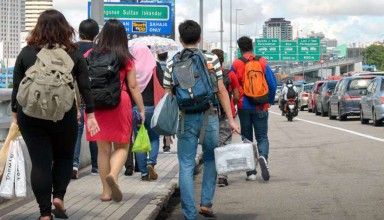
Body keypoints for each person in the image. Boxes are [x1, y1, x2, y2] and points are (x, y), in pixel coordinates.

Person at [11, 9, 100, 220]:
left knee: (40, 163)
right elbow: (85, 87)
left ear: (38, 28)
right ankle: (58, 196)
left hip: (30, 116)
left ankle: (44, 213)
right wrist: (90, 114)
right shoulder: (74, 53)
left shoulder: (26, 52)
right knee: (64, 156)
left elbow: (17, 88)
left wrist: (15, 115)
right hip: (63, 114)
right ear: (65, 29)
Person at [164, 20, 240, 220]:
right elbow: (221, 90)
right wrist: (231, 120)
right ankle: (205, 204)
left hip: (185, 118)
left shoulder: (172, 62)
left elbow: (169, 96)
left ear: (180, 39)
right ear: (199, 39)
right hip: (210, 116)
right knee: (210, 159)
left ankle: (189, 214)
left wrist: (168, 128)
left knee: (186, 164)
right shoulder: (211, 59)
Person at [85, 19, 145, 203]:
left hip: (96, 106)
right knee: (122, 146)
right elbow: (133, 86)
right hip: (119, 102)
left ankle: (105, 192)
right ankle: (113, 175)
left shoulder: (89, 54)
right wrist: (141, 109)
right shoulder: (124, 56)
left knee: (103, 150)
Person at [232, 36, 277, 182]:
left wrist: (235, 102)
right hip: (261, 105)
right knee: (262, 137)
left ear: (240, 48)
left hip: (244, 105)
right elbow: (272, 83)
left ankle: (251, 172)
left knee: (247, 138)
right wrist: (268, 101)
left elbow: (232, 86)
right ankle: (263, 156)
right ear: (252, 46)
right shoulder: (262, 61)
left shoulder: (237, 64)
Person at [130, 43, 163, 181]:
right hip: (152, 108)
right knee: (154, 137)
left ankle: (143, 172)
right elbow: (162, 83)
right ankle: (151, 162)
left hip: (135, 108)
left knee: (139, 138)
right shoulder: (155, 66)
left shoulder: (131, 66)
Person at [72, 18, 100, 179]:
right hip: (94, 98)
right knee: (94, 131)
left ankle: (74, 164)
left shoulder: (72, 49)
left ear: (79, 32)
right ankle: (96, 166)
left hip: (76, 98)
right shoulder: (99, 50)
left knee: (76, 131)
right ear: (96, 34)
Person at [211, 48, 240, 187]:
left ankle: (211, 175)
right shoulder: (230, 74)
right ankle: (222, 176)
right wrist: (230, 106)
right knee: (224, 144)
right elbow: (237, 96)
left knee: (210, 144)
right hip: (225, 114)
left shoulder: (206, 74)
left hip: (209, 113)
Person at [157, 52, 173, 153]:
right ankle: (166, 145)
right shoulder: (169, 67)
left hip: (156, 97)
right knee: (167, 120)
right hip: (167, 96)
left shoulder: (154, 68)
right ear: (167, 56)